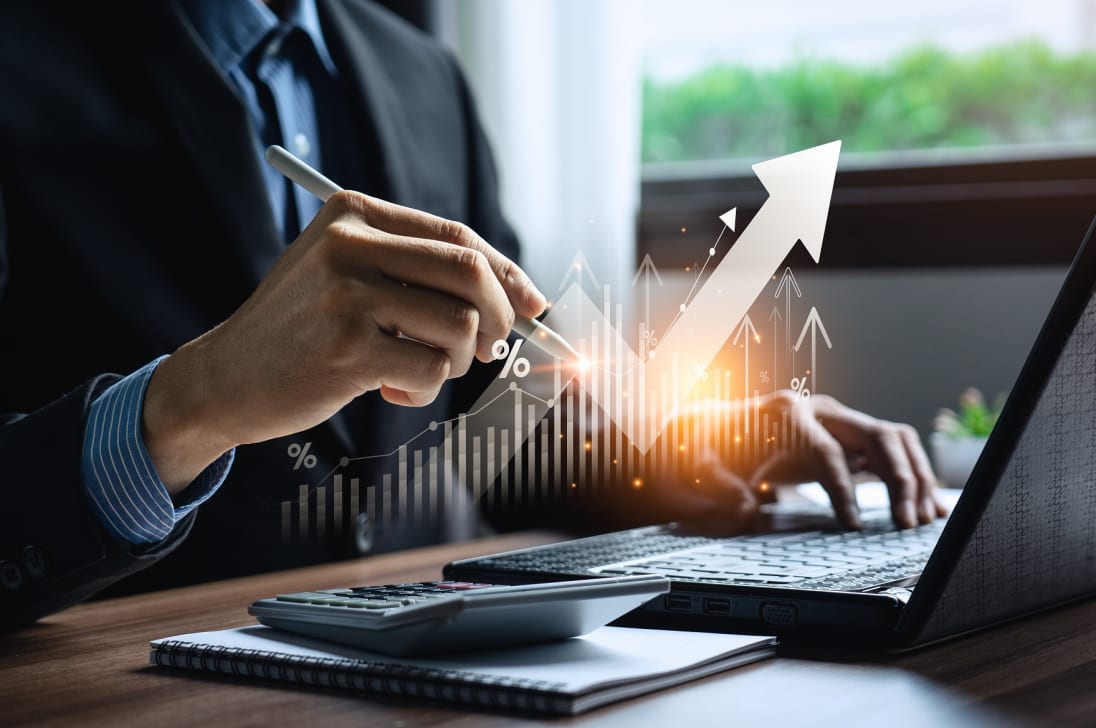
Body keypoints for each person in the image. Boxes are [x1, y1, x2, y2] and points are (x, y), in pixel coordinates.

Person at [0, 0, 945, 627]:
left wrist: (699, 445)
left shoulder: (419, 72)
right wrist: (194, 401)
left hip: (432, 670)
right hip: (124, 678)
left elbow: (505, 416)